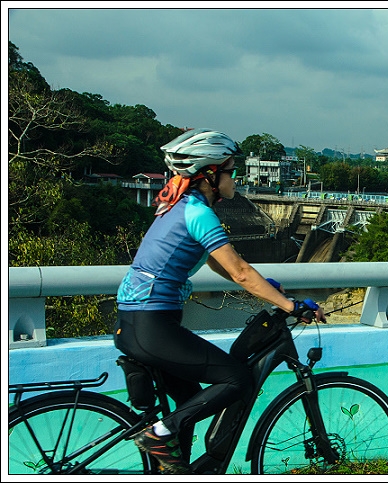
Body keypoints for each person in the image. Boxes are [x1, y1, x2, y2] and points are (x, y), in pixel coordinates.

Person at [113, 128, 325, 474]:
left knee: (187, 400)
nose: (235, 177)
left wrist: (269, 288)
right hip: (152, 324)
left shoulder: (180, 207)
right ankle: (160, 433)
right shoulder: (198, 213)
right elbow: (240, 272)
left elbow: (220, 263)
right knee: (236, 380)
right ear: (210, 174)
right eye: (231, 169)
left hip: (139, 321)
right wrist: (291, 306)